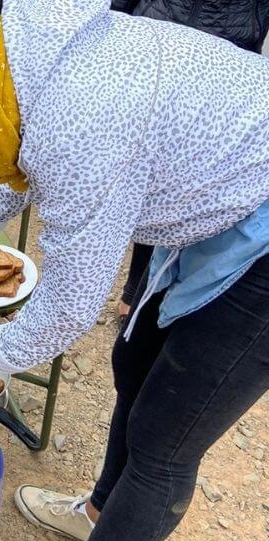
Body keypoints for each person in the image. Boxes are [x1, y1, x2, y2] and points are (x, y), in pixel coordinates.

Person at [0, 0, 269, 541]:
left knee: (168, 433)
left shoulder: (77, 119)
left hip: (258, 220)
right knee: (134, 364)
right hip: (223, 195)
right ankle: (96, 513)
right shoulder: (23, 56)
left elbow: (71, 302)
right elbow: (17, 154)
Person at [113, 0, 269, 326]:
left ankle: (157, 294)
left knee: (190, 194)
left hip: (227, 65)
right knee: (143, 184)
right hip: (154, 48)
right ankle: (133, 288)